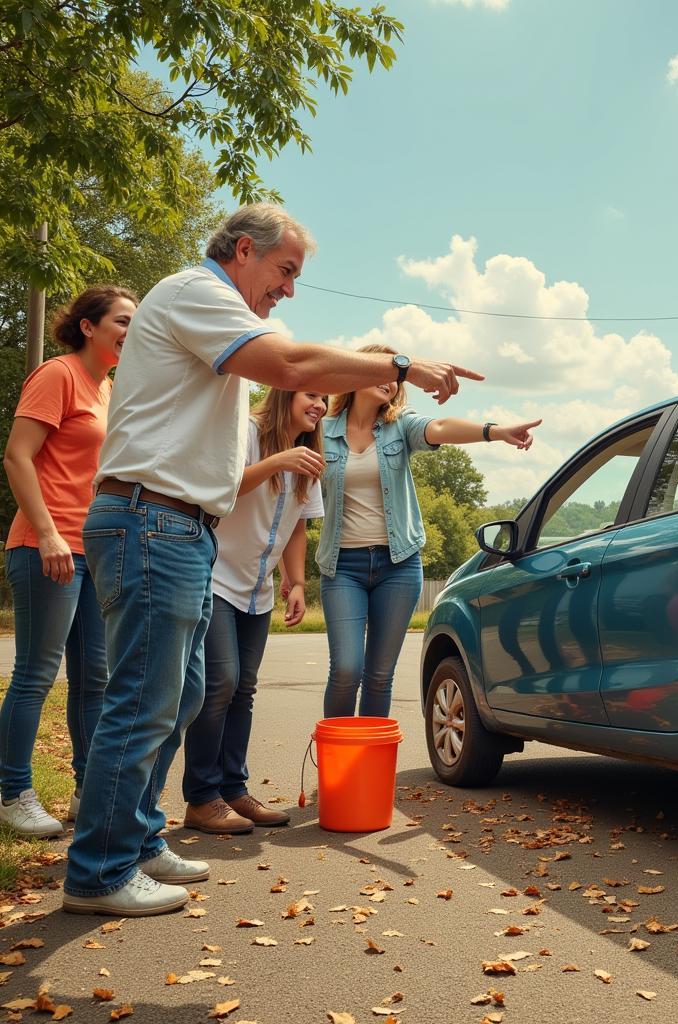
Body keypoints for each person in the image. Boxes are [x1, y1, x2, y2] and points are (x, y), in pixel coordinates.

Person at [62, 203, 482, 918]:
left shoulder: (215, 312)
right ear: (245, 250)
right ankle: (98, 870)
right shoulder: (199, 294)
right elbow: (290, 364)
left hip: (181, 527)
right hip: (150, 520)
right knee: (142, 699)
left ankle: (133, 839)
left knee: (184, 695)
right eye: (285, 271)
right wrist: (400, 363)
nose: (288, 289)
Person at [316, 342, 540, 719]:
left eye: (395, 379)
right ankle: (335, 759)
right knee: (346, 670)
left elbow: (439, 427)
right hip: (342, 568)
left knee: (379, 676)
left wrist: (495, 431)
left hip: (398, 566)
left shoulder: (399, 427)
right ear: (358, 375)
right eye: (384, 372)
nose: (390, 382)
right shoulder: (321, 431)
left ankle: (367, 769)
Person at [0, 285, 137, 837]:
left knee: (94, 679)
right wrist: (51, 534)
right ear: (89, 326)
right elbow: (17, 455)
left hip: (93, 551)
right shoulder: (58, 375)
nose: (132, 331)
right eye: (123, 321)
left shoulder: (108, 391)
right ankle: (13, 792)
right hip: (45, 546)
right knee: (36, 674)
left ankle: (88, 790)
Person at [182, 388, 326, 835]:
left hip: (257, 588)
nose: (320, 405)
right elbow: (222, 490)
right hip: (217, 576)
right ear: (286, 394)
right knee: (220, 682)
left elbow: (298, 525)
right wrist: (278, 461)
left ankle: (233, 790)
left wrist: (296, 581)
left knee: (243, 688)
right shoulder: (245, 432)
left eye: (325, 398)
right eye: (311, 394)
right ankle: (202, 798)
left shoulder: (310, 458)